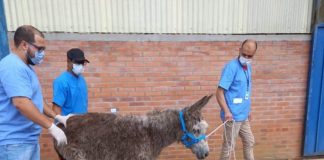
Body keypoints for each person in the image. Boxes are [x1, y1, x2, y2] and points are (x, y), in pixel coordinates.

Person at [0, 25, 70, 160]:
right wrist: (51, 127)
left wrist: (56, 117)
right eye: (39, 48)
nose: (42, 53)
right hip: (14, 143)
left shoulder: (27, 68)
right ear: (24, 45)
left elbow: (36, 100)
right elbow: (21, 103)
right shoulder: (12, 66)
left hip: (27, 140)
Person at [216, 39, 257, 160]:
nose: (246, 57)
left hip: (243, 115)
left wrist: (248, 109)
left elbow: (244, 91)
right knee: (229, 147)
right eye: (244, 54)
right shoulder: (231, 67)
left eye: (250, 56)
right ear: (239, 50)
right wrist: (226, 111)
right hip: (232, 116)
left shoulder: (248, 67)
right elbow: (219, 92)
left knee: (249, 141)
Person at [52, 48, 89, 116]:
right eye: (77, 62)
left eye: (82, 63)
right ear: (68, 61)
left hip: (84, 123)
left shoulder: (82, 79)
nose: (81, 65)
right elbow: (56, 109)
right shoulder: (61, 81)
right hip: (69, 124)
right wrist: (59, 124)